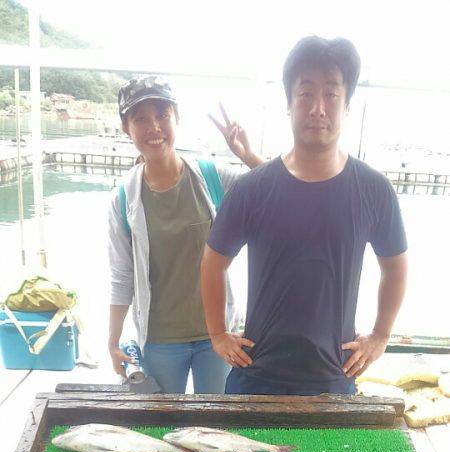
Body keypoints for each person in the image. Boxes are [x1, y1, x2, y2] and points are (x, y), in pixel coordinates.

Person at [201, 36, 408, 395]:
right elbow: (212, 262)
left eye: (331, 94)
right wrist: (218, 334)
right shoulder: (253, 188)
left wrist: (379, 336)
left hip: (333, 375)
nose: (318, 108)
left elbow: (396, 267)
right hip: (256, 374)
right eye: (306, 93)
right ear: (289, 103)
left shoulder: (374, 190)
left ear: (346, 105)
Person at [108, 76, 263, 393]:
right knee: (165, 427)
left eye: (162, 115)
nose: (154, 128)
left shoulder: (211, 177)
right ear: (127, 128)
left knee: (216, 426)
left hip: (217, 336)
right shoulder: (124, 199)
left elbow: (273, 193)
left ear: (177, 118)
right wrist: (112, 342)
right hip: (160, 340)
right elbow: (122, 275)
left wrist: (247, 155)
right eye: (141, 119)